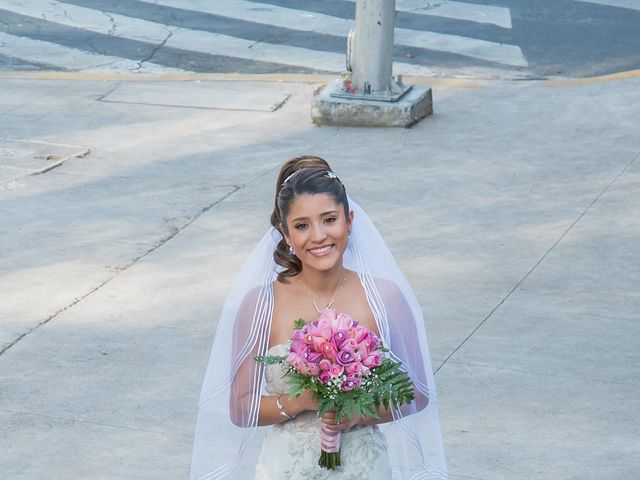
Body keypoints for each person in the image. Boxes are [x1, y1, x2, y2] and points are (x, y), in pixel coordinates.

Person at [190, 156, 448, 480]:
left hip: (363, 467)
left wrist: (355, 413)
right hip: (287, 469)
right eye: (302, 225)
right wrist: (300, 400)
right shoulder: (260, 304)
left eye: (329, 219)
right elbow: (241, 409)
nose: (318, 236)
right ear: (285, 232)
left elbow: (417, 393)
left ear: (349, 221)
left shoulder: (386, 297)